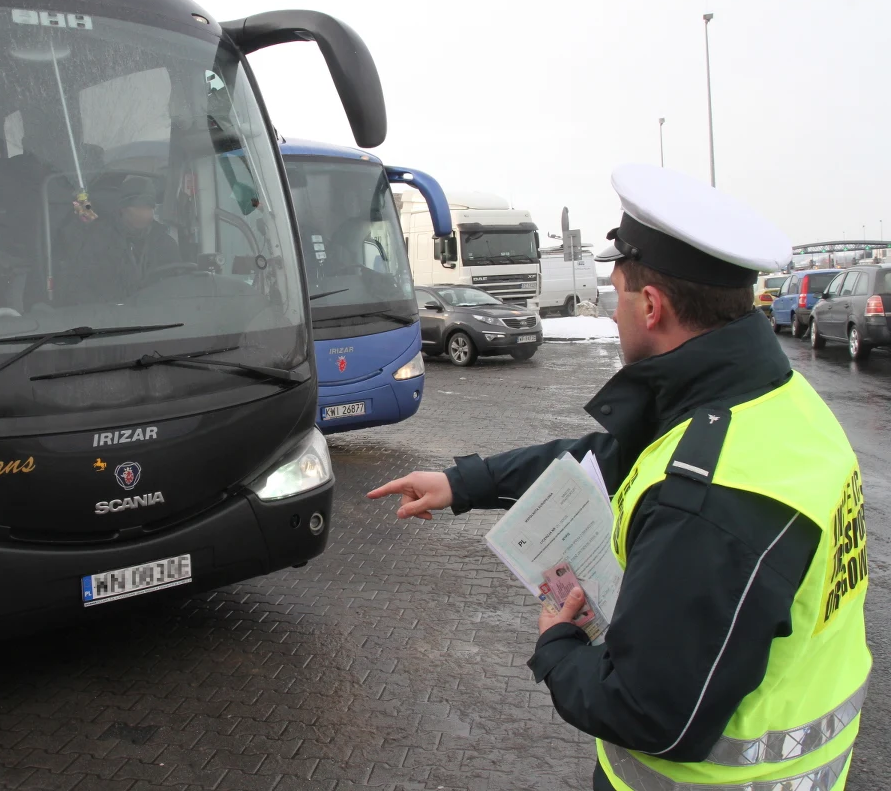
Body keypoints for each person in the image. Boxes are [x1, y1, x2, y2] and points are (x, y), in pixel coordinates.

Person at [368, 164, 870, 791]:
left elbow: (647, 710)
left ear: (652, 306)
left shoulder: (706, 498)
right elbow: (605, 457)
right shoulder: (772, 398)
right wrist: (463, 484)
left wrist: (556, 647)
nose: (611, 313)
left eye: (617, 294)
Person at [55, 175, 181, 305]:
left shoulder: (165, 244)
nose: (144, 212)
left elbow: (177, 288)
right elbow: (78, 286)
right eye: (138, 205)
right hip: (109, 319)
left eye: (149, 206)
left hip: (159, 317)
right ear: (122, 208)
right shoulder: (97, 240)